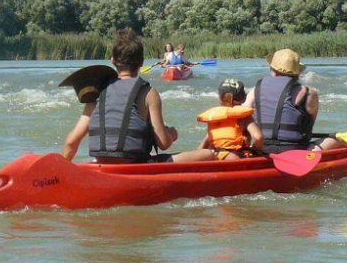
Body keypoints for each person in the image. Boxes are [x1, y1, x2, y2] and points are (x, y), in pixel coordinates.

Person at [62, 29, 178, 163]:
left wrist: (60, 175)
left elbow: (71, 142)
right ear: (141, 62)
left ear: (113, 60)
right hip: (137, 167)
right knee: (206, 154)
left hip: (100, 164)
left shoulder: (97, 93)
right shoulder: (148, 93)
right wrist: (171, 134)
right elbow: (163, 143)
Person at [243, 48, 341, 152]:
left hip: (261, 148)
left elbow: (244, 115)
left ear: (273, 69)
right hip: (295, 150)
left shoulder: (255, 90)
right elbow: (308, 126)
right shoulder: (308, 93)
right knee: (338, 140)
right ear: (297, 73)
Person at [177, 79, 264, 162]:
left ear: (220, 99)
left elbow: (202, 146)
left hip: (216, 155)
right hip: (234, 157)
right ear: (243, 98)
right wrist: (255, 150)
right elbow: (258, 137)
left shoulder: (215, 118)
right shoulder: (245, 117)